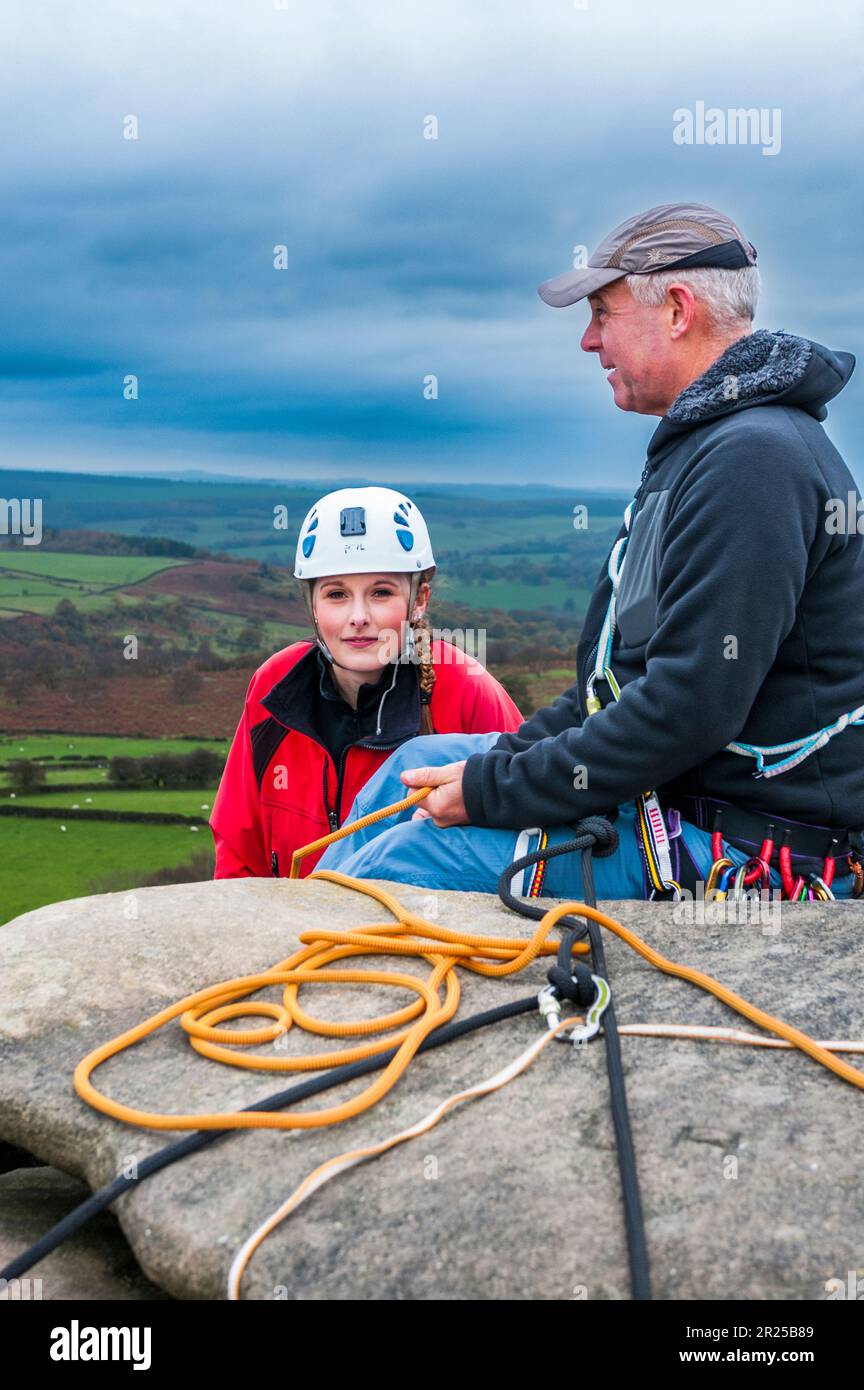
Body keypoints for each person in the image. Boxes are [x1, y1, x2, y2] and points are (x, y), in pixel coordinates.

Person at [317, 202, 864, 903]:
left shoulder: (754, 462)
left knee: (415, 856)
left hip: (742, 841)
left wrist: (493, 790)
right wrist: (506, 763)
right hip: (675, 798)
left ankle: (321, 989)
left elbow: (685, 711)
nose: (587, 340)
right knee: (412, 769)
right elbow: (616, 685)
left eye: (603, 313)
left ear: (676, 308)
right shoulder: (708, 447)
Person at [209, 486, 524, 878]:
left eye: (380, 592)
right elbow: (240, 845)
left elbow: (525, 834)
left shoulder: (466, 690)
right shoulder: (276, 685)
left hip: (420, 935)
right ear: (313, 604)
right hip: (297, 933)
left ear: (419, 598)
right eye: (337, 594)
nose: (358, 617)